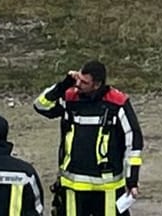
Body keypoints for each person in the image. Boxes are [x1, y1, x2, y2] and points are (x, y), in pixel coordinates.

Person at [33, 61, 144, 216]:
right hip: (73, 184)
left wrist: (132, 179)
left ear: (97, 84)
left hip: (107, 187)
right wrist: (63, 85)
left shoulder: (116, 103)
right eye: (78, 79)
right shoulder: (70, 97)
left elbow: (133, 142)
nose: (78, 84)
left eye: (84, 82)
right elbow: (41, 105)